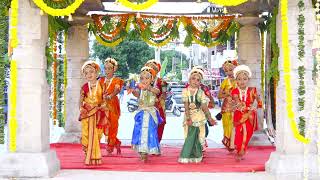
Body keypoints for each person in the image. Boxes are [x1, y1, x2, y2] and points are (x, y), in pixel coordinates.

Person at [178, 68, 216, 163]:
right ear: (189, 80)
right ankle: (186, 156)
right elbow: (186, 106)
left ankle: (195, 156)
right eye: (193, 78)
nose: (195, 81)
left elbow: (204, 107)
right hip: (189, 116)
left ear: (200, 82)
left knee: (197, 136)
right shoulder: (185, 91)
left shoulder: (201, 92)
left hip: (199, 117)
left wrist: (210, 118)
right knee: (190, 136)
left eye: (198, 79)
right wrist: (188, 118)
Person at [79, 60, 109, 165]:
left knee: (97, 135)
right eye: (86, 73)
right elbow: (80, 101)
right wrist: (81, 109)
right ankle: (88, 152)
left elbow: (105, 100)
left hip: (98, 114)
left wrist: (103, 106)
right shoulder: (84, 87)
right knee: (86, 135)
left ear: (96, 72)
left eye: (91, 71)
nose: (89, 75)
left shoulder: (102, 85)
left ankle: (94, 156)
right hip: (87, 113)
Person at [130, 66, 163, 162]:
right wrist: (132, 90)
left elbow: (157, 92)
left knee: (149, 132)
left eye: (147, 78)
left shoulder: (154, 88)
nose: (144, 80)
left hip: (150, 114)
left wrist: (148, 88)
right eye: (142, 78)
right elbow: (136, 94)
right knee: (139, 131)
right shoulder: (140, 89)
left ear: (152, 80)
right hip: (141, 113)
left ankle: (147, 151)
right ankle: (141, 152)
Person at [231, 65, 262, 161]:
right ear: (236, 80)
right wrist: (240, 105)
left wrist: (258, 103)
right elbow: (236, 100)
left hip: (250, 116)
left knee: (248, 133)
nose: (242, 81)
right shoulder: (235, 91)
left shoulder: (253, 90)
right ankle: (240, 150)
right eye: (239, 79)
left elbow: (259, 100)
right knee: (240, 133)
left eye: (244, 79)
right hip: (239, 115)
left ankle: (241, 148)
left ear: (248, 79)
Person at [185, 65, 215, 151]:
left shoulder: (204, 87)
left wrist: (211, 103)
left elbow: (209, 96)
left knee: (204, 128)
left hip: (202, 111)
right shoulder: (188, 87)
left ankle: (201, 142)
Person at [99, 57, 124, 155]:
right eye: (106, 68)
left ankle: (110, 146)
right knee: (104, 126)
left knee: (113, 125)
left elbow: (117, 90)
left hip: (113, 105)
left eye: (110, 68)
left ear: (114, 69)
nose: (107, 70)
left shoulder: (117, 80)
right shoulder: (101, 80)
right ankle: (116, 142)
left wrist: (110, 96)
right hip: (103, 105)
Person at [218, 59, 238, 152]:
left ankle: (234, 143)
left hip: (237, 106)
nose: (229, 72)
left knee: (236, 125)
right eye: (226, 71)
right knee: (227, 126)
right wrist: (228, 94)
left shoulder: (240, 80)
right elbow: (219, 95)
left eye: (230, 70)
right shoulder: (225, 82)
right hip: (227, 108)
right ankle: (229, 144)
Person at [145, 59, 167, 143]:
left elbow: (165, 94)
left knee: (160, 124)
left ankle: (156, 143)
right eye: (148, 69)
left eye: (152, 69)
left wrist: (158, 100)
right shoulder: (143, 81)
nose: (150, 71)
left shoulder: (162, 82)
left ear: (157, 71)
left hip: (158, 106)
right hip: (146, 106)